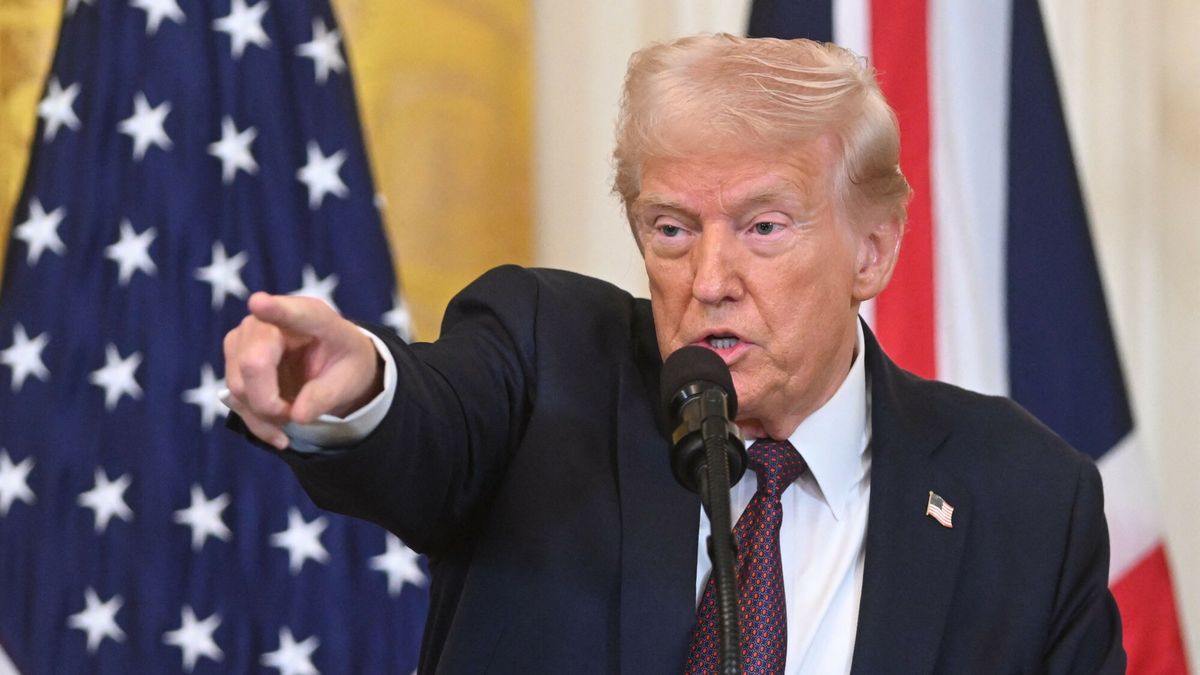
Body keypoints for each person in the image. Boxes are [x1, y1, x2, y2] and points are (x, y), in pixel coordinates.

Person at [223, 34, 1125, 674]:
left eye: (764, 226)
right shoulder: (546, 364)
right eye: (672, 228)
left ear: (873, 250)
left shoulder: (1027, 499)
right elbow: (430, 419)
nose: (711, 277)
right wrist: (361, 394)